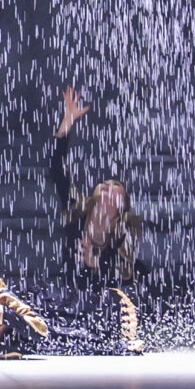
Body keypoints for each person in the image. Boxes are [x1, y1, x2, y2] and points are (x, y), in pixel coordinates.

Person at [0, 273, 145, 359]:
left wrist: (0, 312)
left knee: (137, 312)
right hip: (59, 340)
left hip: (64, 313)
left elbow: (38, 330)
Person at [51, 86, 144, 293]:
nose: (108, 186)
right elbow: (58, 171)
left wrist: (95, 263)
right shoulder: (78, 210)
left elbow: (125, 276)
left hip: (107, 295)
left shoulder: (124, 231)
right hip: (70, 288)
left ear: (122, 206)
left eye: (116, 187)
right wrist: (66, 124)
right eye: (106, 183)